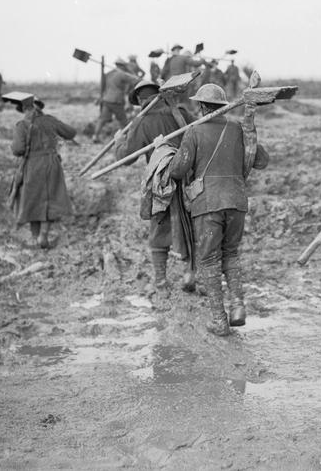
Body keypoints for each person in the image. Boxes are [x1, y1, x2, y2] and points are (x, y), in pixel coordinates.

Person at [168, 83, 269, 336]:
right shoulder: (238, 128)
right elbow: (262, 160)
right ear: (223, 107)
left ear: (201, 107)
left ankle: (219, 320)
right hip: (236, 201)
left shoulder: (194, 132)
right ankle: (237, 307)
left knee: (209, 259)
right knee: (231, 254)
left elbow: (177, 171)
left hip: (208, 204)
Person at [114, 80, 194, 298]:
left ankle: (160, 280)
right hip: (187, 177)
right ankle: (190, 273)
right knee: (189, 224)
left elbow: (125, 158)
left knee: (159, 227)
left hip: (161, 181)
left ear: (140, 100)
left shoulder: (142, 121)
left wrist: (118, 142)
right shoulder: (181, 114)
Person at [7, 92, 77, 249]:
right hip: (52, 163)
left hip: (33, 165)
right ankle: (43, 235)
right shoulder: (50, 121)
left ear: (25, 109)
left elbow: (18, 149)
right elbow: (71, 132)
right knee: (49, 198)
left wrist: (14, 147)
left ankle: (35, 236)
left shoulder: (21, 125)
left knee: (33, 200)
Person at [92, 60, 140, 142]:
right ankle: (127, 138)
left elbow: (103, 86)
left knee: (102, 120)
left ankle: (95, 136)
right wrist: (134, 74)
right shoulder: (122, 74)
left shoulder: (108, 74)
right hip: (116, 101)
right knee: (123, 121)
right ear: (122, 66)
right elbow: (135, 80)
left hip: (107, 100)